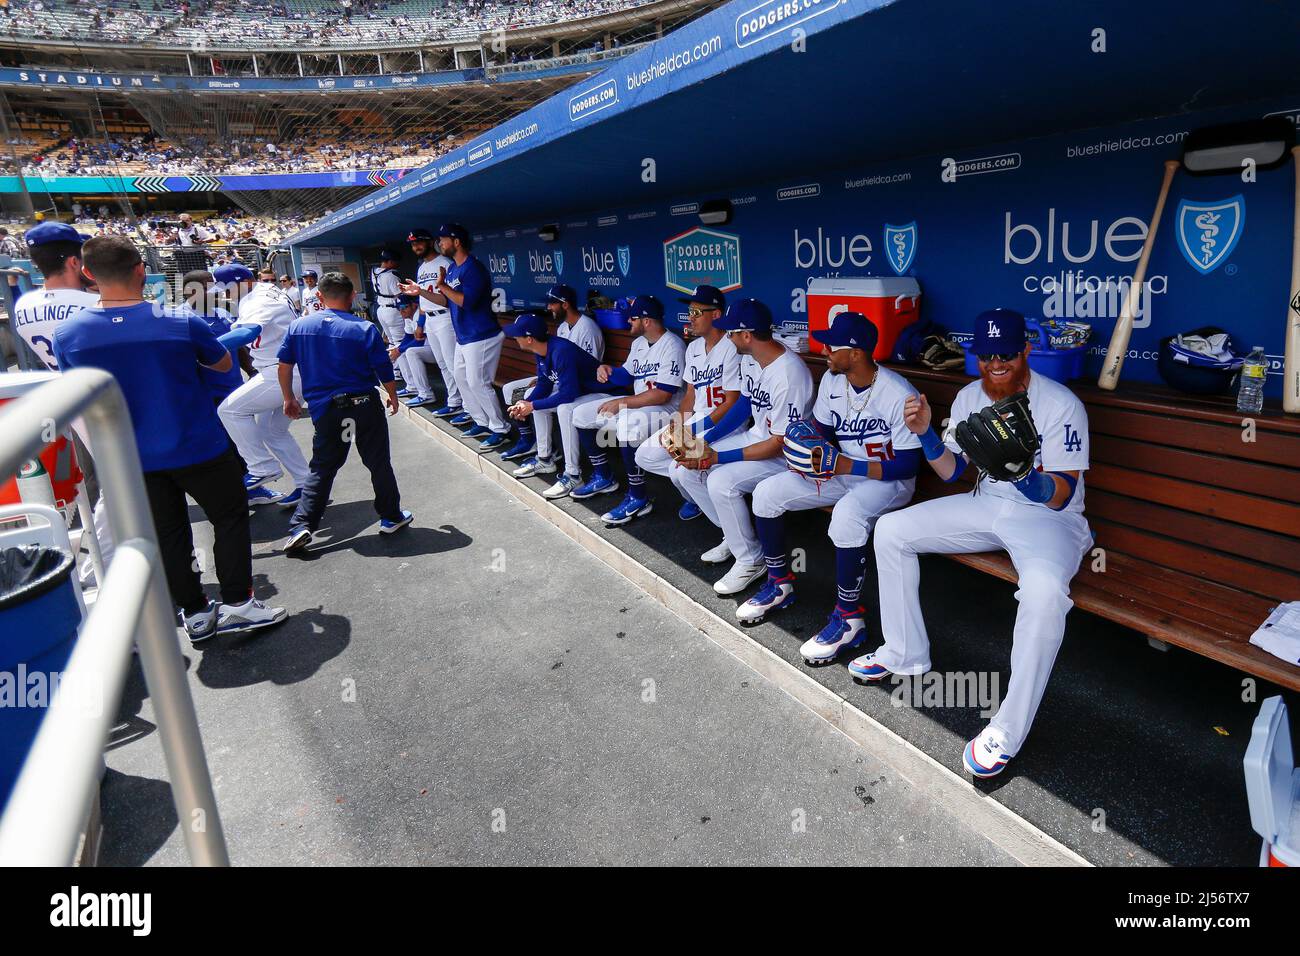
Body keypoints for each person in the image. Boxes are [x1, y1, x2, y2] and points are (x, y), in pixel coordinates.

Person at [847, 308, 1092, 779]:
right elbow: (955, 472)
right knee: (892, 530)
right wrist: (924, 436)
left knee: (1043, 596)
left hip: (1048, 518)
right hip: (986, 504)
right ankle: (904, 652)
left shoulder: (1060, 403)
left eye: (1005, 352)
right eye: (986, 354)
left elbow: (1062, 494)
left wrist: (1026, 477)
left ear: (1024, 350)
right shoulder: (967, 397)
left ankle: (1007, 728)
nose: (995, 362)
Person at [52, 236, 286, 641]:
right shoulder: (178, 320)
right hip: (198, 445)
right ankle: (238, 603)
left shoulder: (70, 334)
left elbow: (76, 391)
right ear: (142, 270)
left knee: (169, 533)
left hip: (132, 456)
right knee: (229, 519)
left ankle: (195, 613)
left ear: (88, 274)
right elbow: (223, 363)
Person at [739, 312, 920, 664]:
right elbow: (820, 430)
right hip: (841, 471)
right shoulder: (833, 382)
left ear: (855, 353)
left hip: (888, 480)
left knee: (847, 516)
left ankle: (850, 618)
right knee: (767, 493)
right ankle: (779, 582)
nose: (824, 349)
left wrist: (845, 465)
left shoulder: (897, 392)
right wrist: (803, 446)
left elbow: (909, 465)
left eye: (831, 345)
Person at [676, 298, 813, 596]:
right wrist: (701, 441)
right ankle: (736, 536)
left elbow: (779, 444)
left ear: (747, 335)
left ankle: (751, 560)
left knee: (719, 480)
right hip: (758, 438)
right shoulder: (752, 358)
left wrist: (717, 457)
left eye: (732, 332)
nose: (728, 336)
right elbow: (743, 407)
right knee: (687, 472)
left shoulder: (789, 374)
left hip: (788, 455)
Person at [278, 271, 411, 554]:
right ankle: (391, 517)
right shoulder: (363, 328)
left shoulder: (298, 326)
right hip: (363, 404)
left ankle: (302, 524)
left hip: (326, 408)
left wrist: (288, 398)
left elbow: (284, 365)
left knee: (323, 467)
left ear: (319, 296)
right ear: (352, 296)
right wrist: (393, 395)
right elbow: (383, 368)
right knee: (377, 462)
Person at [569, 294, 685, 522]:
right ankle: (603, 476)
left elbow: (663, 394)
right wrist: (607, 370)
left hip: (669, 410)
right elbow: (626, 374)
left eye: (632, 319)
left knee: (627, 425)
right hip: (642, 404)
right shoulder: (639, 343)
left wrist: (620, 404)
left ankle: (638, 496)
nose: (628, 322)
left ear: (647, 321)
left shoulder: (673, 345)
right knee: (580, 414)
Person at [633, 284, 740, 522]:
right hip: (697, 419)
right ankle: (697, 495)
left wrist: (693, 431)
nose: (690, 318)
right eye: (690, 311)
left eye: (696, 312)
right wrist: (679, 426)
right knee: (645, 456)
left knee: (679, 469)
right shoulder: (693, 348)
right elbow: (690, 394)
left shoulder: (732, 347)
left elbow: (733, 401)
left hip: (724, 424)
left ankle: (726, 525)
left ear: (716, 314)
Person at [215, 263, 311, 508]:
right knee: (273, 431)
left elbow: (247, 332)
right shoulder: (261, 291)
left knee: (230, 410)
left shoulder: (258, 299)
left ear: (242, 281)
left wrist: (206, 347)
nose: (224, 294)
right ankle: (307, 485)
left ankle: (261, 467)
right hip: (288, 367)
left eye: (226, 288)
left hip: (283, 370)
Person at [405, 223, 508, 447]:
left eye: (443, 239)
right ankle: (481, 421)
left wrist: (442, 286)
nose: (439, 243)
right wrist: (422, 291)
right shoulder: (452, 270)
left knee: (478, 382)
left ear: (457, 242)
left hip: (482, 334)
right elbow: (447, 301)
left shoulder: (474, 268)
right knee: (461, 378)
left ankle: (500, 427)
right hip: (465, 335)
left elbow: (466, 302)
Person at [501, 283, 604, 469]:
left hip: (596, 389)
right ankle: (544, 457)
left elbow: (569, 391)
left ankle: (572, 472)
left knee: (562, 407)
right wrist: (526, 404)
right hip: (574, 384)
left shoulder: (579, 334)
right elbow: (544, 383)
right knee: (531, 399)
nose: (549, 307)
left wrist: (531, 405)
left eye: (552, 303)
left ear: (530, 338)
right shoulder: (544, 346)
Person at [11, 222, 98, 370]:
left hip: (63, 387)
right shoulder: (98, 305)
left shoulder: (22, 304)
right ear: (74, 262)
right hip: (107, 389)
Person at [400, 227, 461, 418]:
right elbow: (423, 302)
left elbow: (446, 299)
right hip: (431, 321)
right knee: (443, 364)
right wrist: (420, 323)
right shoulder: (422, 267)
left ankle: (467, 406)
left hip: (446, 317)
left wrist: (420, 293)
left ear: (429, 241)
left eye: (419, 242)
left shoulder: (445, 263)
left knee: (453, 365)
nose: (415, 246)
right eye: (412, 243)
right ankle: (454, 402)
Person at [387, 294, 436, 407]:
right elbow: (408, 337)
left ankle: (426, 394)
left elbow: (419, 340)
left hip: (435, 350)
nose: (401, 311)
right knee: (401, 349)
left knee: (410, 352)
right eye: (399, 308)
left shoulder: (420, 314)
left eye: (404, 307)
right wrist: (397, 349)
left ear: (414, 305)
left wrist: (399, 350)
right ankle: (412, 386)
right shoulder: (409, 317)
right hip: (427, 348)